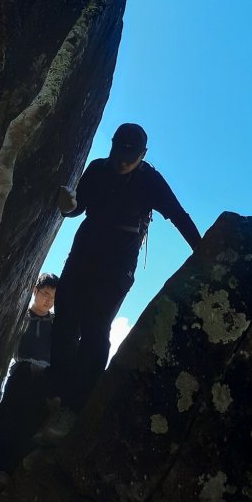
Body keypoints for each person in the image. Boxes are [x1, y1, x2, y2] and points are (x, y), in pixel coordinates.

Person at [51, 122, 202, 420]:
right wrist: (67, 205)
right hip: (85, 249)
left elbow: (177, 215)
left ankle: (76, 407)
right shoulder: (97, 169)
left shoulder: (150, 181)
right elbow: (77, 208)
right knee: (65, 315)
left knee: (96, 325)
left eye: (130, 156)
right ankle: (56, 391)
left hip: (118, 261)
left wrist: (203, 249)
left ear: (143, 155)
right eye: (118, 151)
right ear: (112, 144)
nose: (122, 160)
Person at [0, 273, 59, 469]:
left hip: (43, 376)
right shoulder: (21, 315)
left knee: (29, 422)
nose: (48, 300)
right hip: (21, 371)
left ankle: (12, 465)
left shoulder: (55, 324)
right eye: (45, 294)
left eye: (53, 297)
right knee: (9, 413)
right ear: (35, 290)